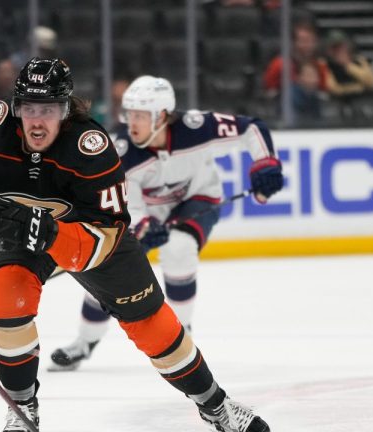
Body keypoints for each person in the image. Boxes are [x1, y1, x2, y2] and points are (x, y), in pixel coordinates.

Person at [0, 58, 274, 432]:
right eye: (29, 109)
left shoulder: (93, 150)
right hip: (15, 232)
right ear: (15, 107)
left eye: (49, 110)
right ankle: (22, 409)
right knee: (6, 302)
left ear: (66, 110)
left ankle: (215, 406)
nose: (37, 121)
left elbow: (106, 238)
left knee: (153, 324)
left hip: (85, 236)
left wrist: (52, 234)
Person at [49, 75, 284, 371]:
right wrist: (142, 225)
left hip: (198, 200)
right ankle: (85, 341)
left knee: (179, 248)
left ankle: (182, 334)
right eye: (129, 113)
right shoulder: (121, 153)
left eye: (140, 116)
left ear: (162, 116)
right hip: (147, 212)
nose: (132, 122)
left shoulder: (198, 127)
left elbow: (252, 128)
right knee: (106, 272)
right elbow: (122, 206)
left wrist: (265, 164)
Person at [323, 30, 373, 100]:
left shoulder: (359, 60)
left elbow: (371, 83)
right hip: (337, 103)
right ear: (328, 50)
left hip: (362, 101)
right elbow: (334, 89)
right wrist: (359, 88)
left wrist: (348, 66)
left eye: (340, 46)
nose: (338, 50)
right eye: (334, 47)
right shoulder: (324, 64)